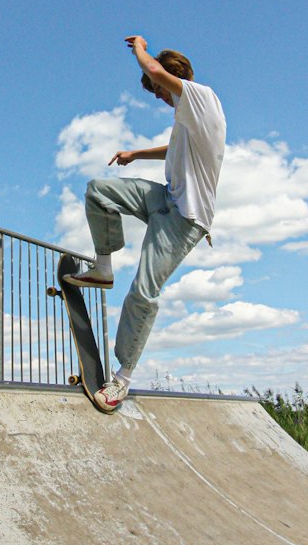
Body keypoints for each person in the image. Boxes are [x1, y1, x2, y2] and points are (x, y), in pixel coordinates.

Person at [65, 34, 226, 412]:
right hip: (164, 200)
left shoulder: (201, 97)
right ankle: (103, 268)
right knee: (99, 190)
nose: (157, 96)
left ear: (172, 77)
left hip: (185, 219)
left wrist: (139, 46)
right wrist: (136, 154)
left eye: (157, 90)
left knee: (143, 290)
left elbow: (152, 66)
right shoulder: (189, 118)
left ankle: (122, 380)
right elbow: (175, 149)